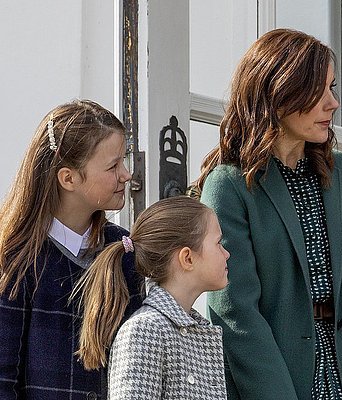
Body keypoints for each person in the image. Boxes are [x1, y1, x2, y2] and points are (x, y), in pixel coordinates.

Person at [191, 28, 342, 400]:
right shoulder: (230, 185)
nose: (332, 103)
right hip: (276, 382)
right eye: (319, 90)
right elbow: (236, 314)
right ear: (278, 93)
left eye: (333, 88)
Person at [0, 100, 144, 399]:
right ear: (68, 178)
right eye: (113, 165)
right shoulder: (15, 259)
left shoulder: (126, 251)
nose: (126, 175)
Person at [75, 196, 228, 399]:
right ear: (187, 258)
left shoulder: (194, 329)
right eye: (218, 243)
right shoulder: (144, 330)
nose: (226, 253)